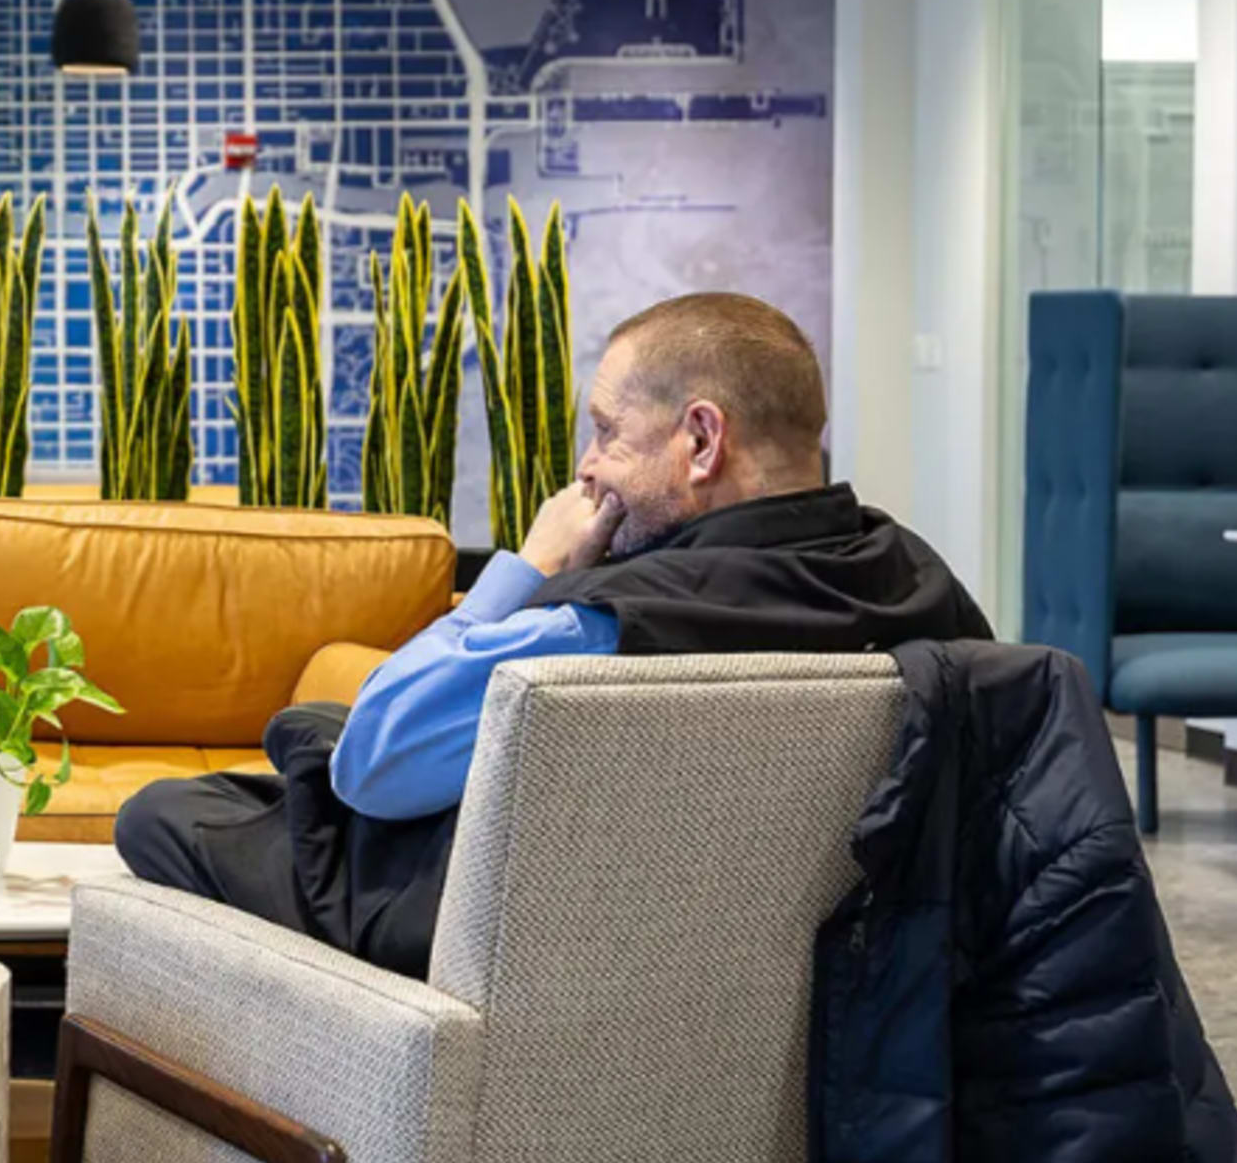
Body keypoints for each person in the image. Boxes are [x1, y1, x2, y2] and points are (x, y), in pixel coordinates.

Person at [116, 290, 990, 975]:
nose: (587, 466)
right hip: (792, 957)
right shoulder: (927, 588)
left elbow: (373, 766)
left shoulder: (604, 626)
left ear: (701, 438)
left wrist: (527, 569)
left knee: (169, 809)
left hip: (505, 926)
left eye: (607, 432)